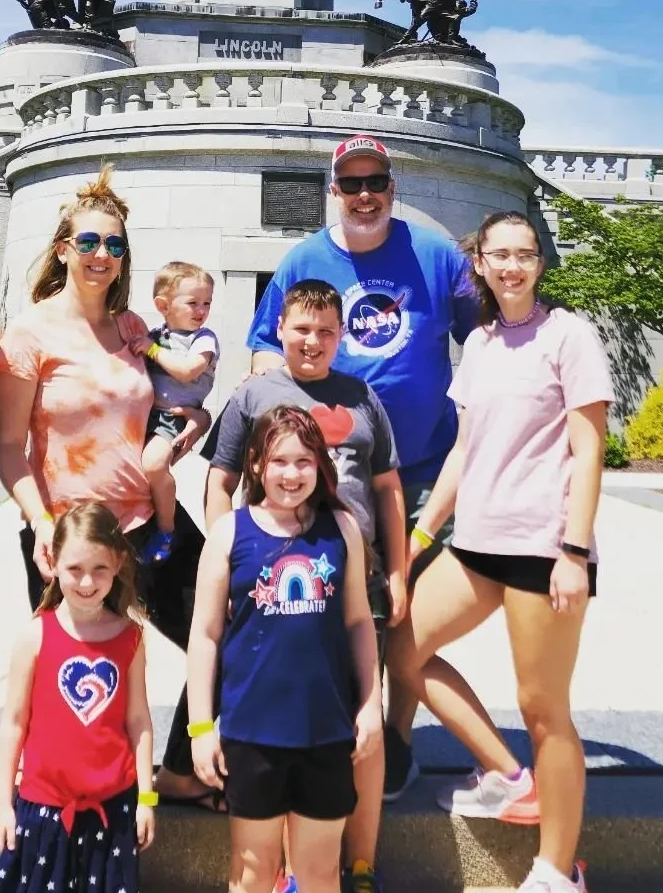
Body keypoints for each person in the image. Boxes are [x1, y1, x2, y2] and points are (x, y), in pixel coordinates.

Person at [246, 135, 480, 798]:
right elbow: (265, 347)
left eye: (375, 180)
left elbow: (485, 335)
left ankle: (395, 740)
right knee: (337, 604)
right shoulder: (304, 259)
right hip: (339, 472)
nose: (365, 194)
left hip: (426, 467)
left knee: (408, 617)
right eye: (351, 184)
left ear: (392, 186)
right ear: (334, 191)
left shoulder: (434, 254)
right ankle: (335, 727)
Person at [386, 212, 613, 893]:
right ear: (478, 264)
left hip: (544, 548)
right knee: (401, 647)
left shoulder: (569, 337)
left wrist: (574, 549)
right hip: (475, 542)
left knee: (544, 709)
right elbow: (464, 450)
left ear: (540, 263)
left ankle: (558, 867)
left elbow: (589, 446)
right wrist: (419, 538)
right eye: (499, 255)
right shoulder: (480, 343)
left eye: (525, 255)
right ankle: (508, 776)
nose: (512, 267)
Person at [0, 167, 216, 808]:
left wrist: (190, 424)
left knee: (232, 625)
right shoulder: (28, 335)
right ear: (63, 248)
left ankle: (176, 768)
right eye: (89, 243)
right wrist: (39, 525)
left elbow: (169, 402)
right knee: (71, 681)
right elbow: (9, 448)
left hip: (146, 522)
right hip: (68, 536)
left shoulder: (132, 327)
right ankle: (65, 806)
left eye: (114, 245)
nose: (102, 256)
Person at [207, 279, 405, 893]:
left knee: (352, 720)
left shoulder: (362, 395)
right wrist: (230, 556)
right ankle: (286, 871)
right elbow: (220, 479)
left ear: (341, 335)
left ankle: (358, 859)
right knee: (270, 699)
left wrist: (395, 570)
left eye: (325, 331)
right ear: (280, 331)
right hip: (265, 582)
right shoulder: (255, 394)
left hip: (349, 575)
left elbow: (388, 488)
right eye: (301, 329)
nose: (313, 341)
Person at [188, 406, 382, 893]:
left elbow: (359, 621)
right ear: (255, 464)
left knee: (318, 873)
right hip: (252, 734)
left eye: (303, 462)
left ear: (320, 466)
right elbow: (205, 635)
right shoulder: (230, 533)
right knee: (253, 871)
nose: (291, 474)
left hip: (326, 731)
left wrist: (370, 706)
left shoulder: (341, 529)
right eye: (279, 461)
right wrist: (200, 727)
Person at [0, 502, 155, 893]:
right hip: (42, 813)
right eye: (74, 569)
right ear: (53, 564)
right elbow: (13, 725)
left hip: (112, 812)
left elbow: (139, 721)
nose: (86, 582)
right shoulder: (35, 636)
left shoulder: (131, 637)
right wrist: (3, 806)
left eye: (99, 569)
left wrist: (147, 797)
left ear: (117, 564)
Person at [133, 261, 220, 563]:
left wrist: (151, 350)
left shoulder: (203, 339)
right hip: (145, 415)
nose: (202, 309)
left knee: (155, 465)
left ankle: (166, 529)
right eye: (193, 302)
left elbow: (187, 371)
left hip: (174, 415)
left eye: (207, 302)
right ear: (163, 305)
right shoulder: (155, 334)